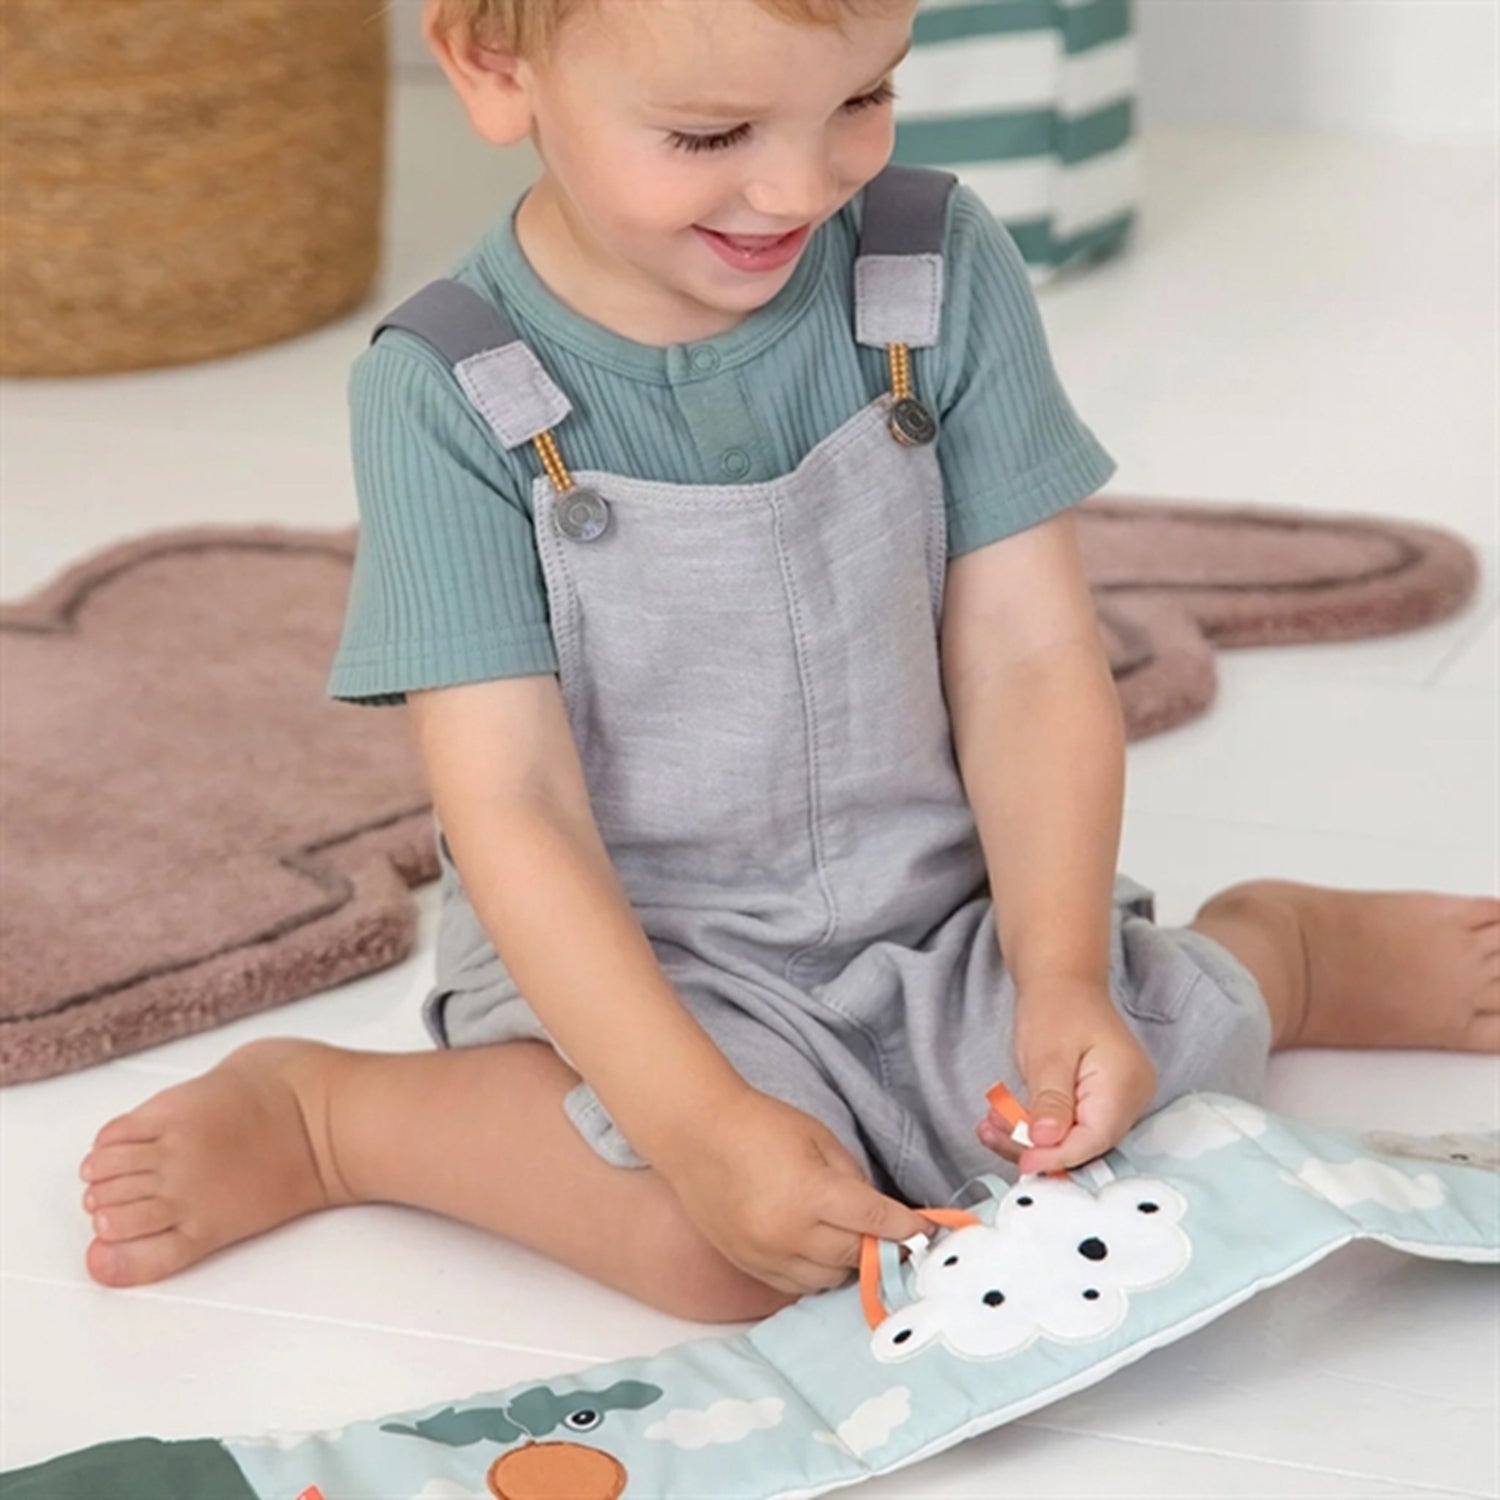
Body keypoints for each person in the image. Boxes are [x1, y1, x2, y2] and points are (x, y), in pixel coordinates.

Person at [78, 0, 1497, 1326]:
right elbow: (515, 806)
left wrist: (1061, 974)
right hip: (645, 963)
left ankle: (1284, 954)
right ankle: (334, 1120)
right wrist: (698, 1125)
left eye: (864, 97)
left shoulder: (934, 265)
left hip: (936, 911)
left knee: (1146, 1094)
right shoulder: (443, 389)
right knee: (715, 1253)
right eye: (711, 136)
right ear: (496, 68)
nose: (800, 186)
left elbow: (1028, 656)